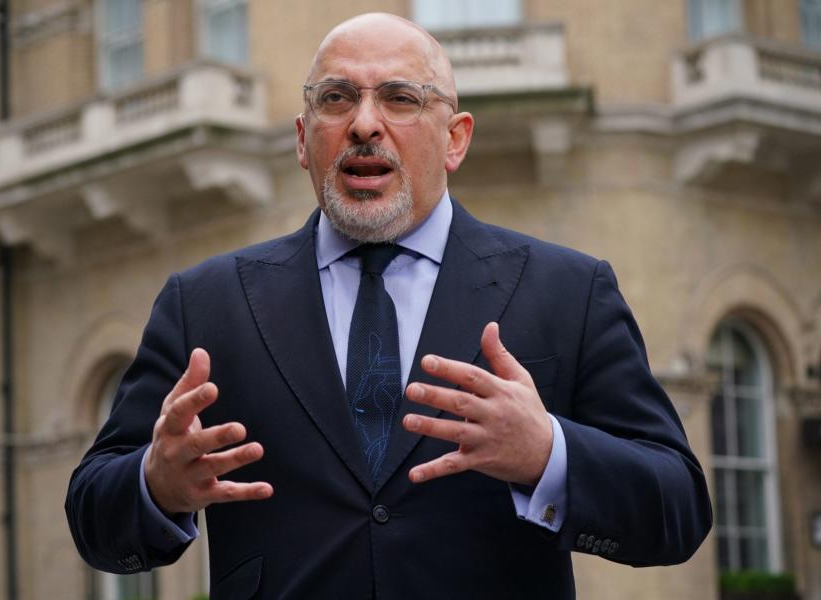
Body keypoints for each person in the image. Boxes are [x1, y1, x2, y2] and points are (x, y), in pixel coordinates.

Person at [66, 12, 711, 599]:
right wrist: (156, 484)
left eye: (401, 99)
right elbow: (94, 512)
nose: (365, 123)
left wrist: (548, 453)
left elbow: (677, 508)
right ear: (302, 138)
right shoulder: (205, 303)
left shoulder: (570, 290)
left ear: (455, 139)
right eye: (336, 98)